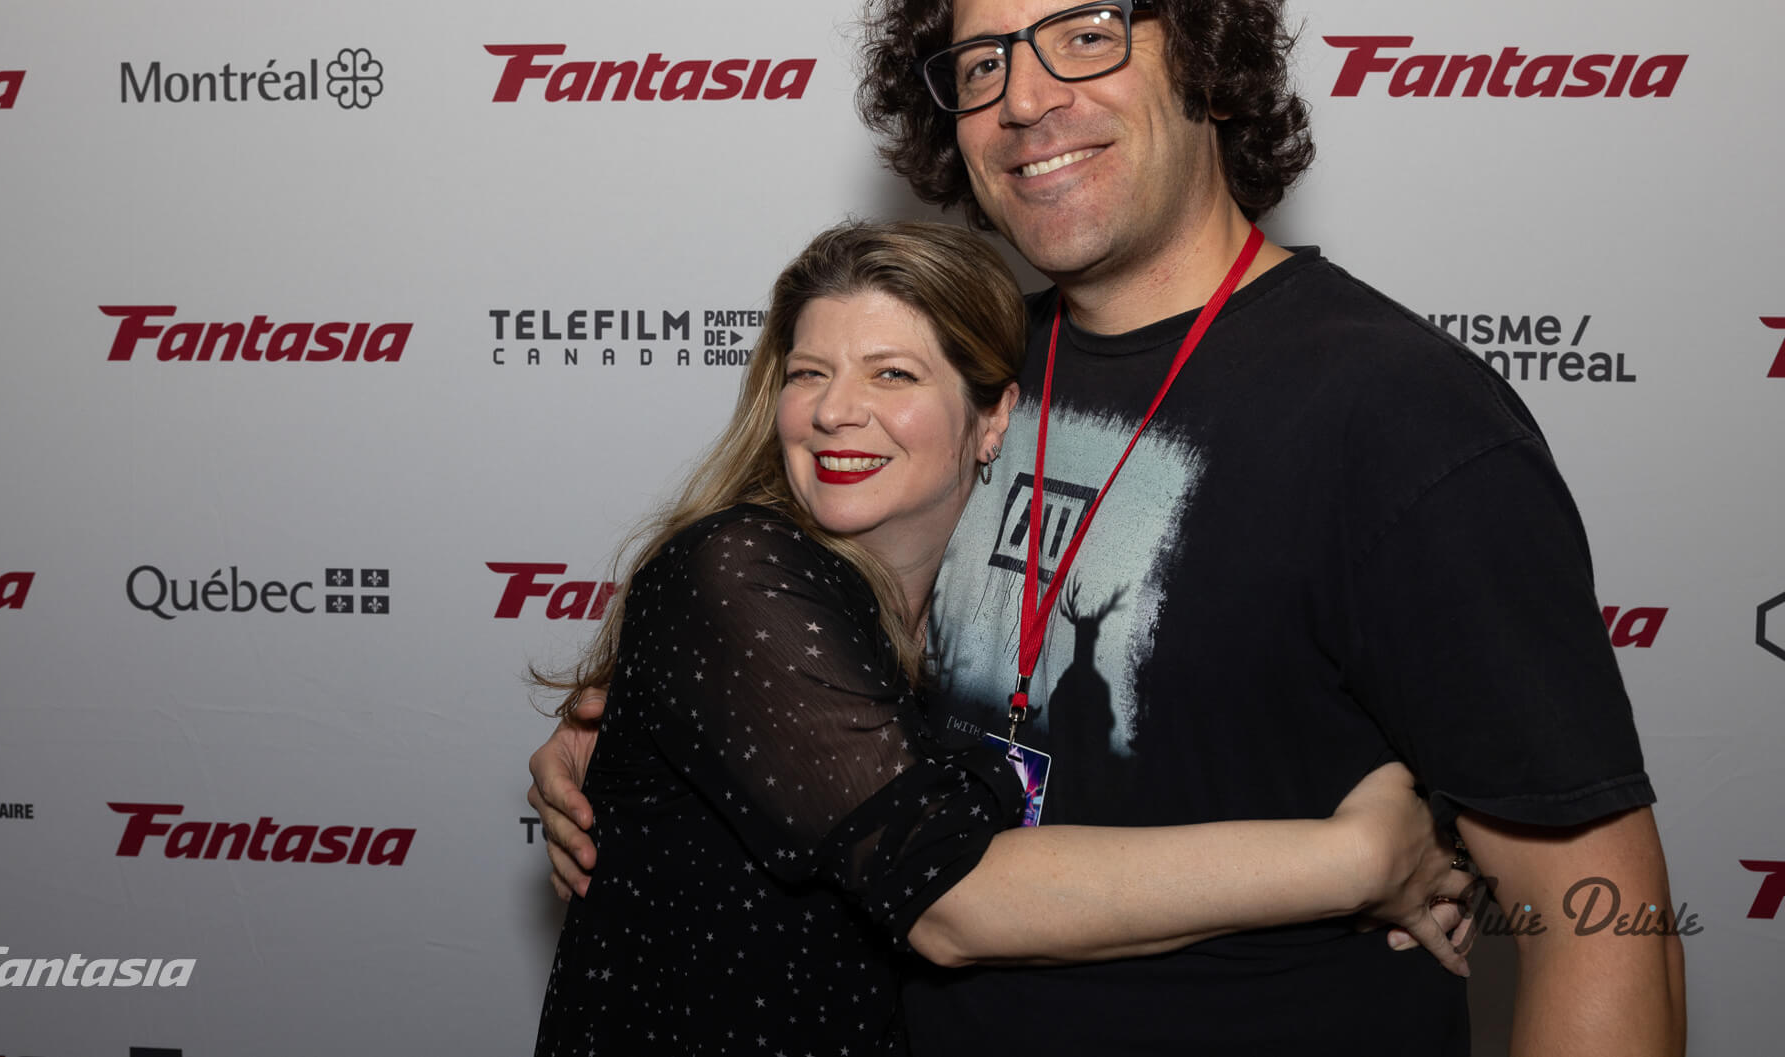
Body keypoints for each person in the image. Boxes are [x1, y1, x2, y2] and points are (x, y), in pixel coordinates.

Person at [534, 0, 1686, 1054]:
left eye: (1085, 36)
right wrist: (614, 740)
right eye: (982, 65)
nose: (1025, 101)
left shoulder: (1400, 416)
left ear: (1202, 56)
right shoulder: (966, 373)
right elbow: (773, 627)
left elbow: (1597, 916)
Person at [532, 221, 1472, 1056]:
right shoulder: (741, 568)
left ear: (993, 419)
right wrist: (1360, 859)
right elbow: (954, 901)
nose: (832, 409)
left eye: (891, 374)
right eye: (808, 372)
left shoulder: (957, 599)